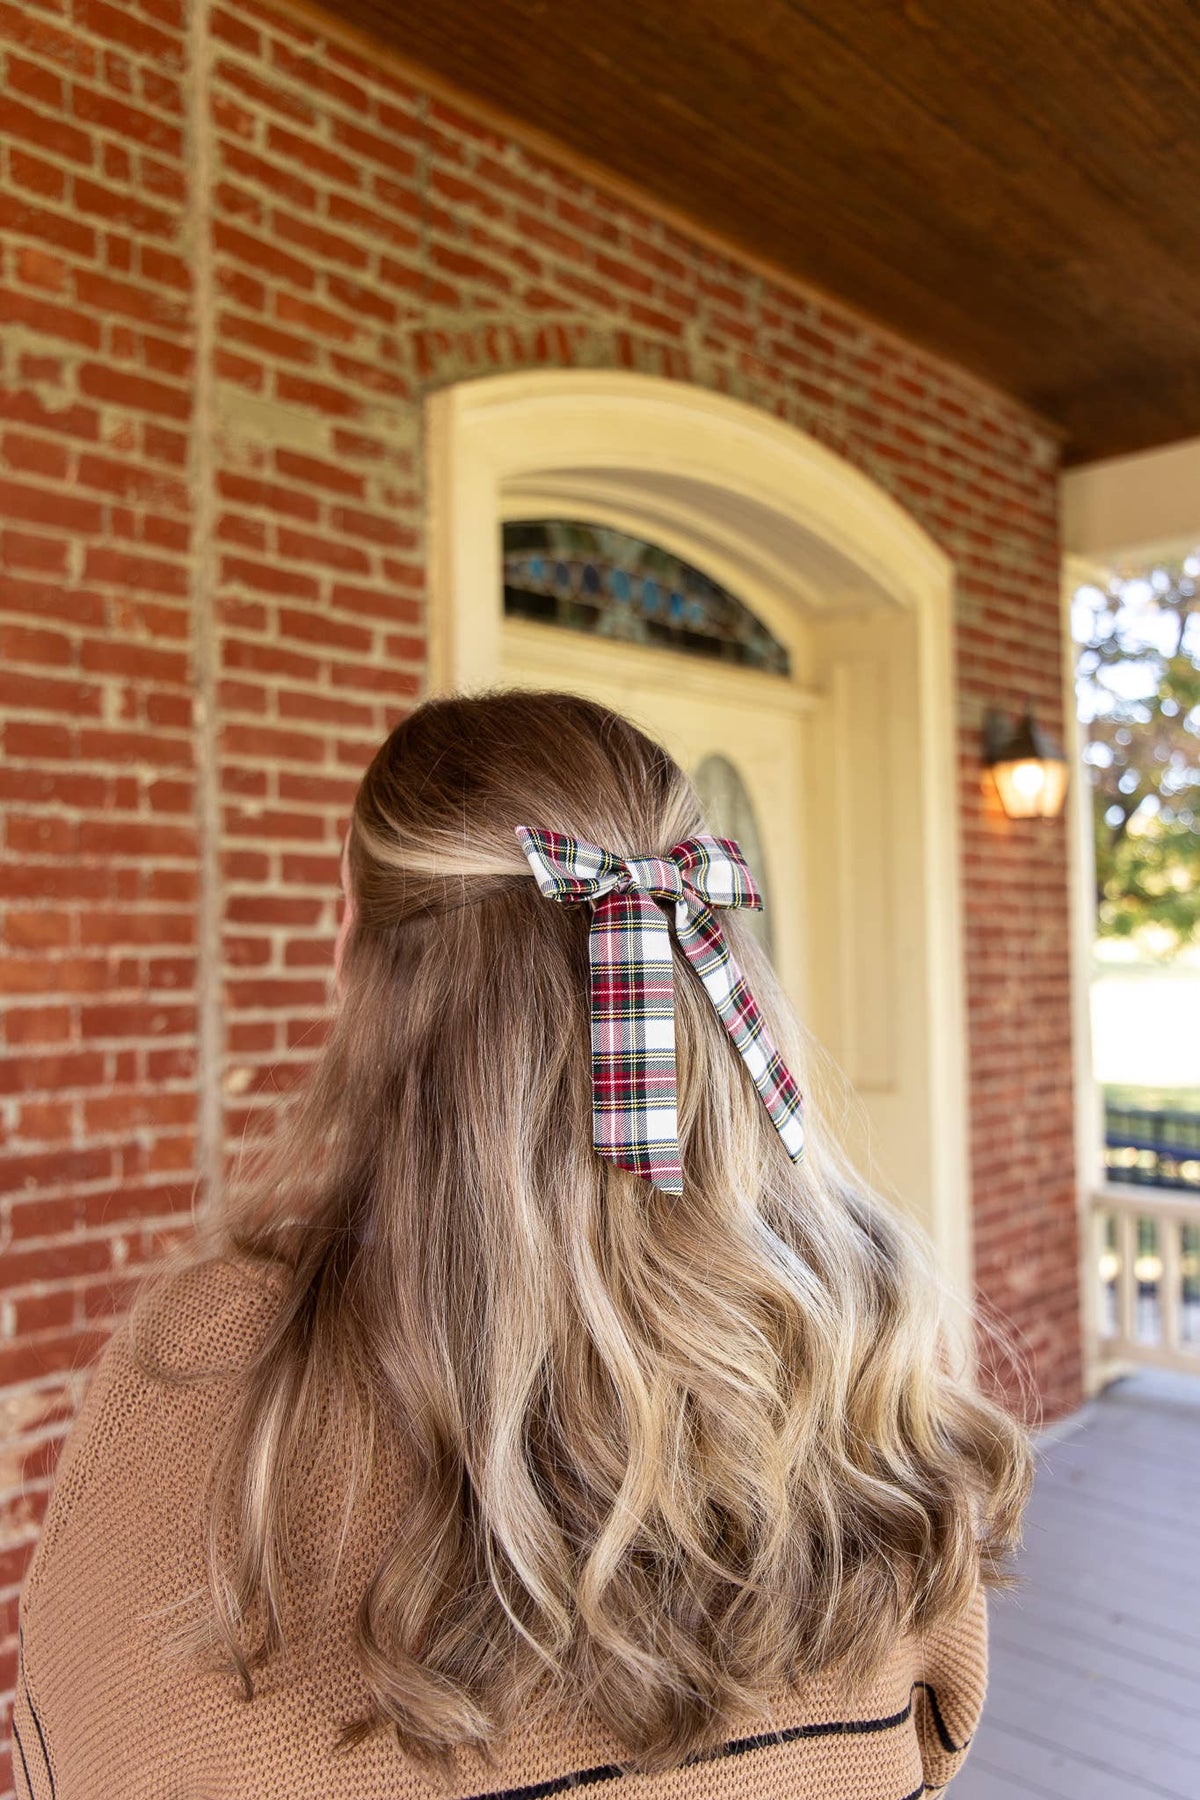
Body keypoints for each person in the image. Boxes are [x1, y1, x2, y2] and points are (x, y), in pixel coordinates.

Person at [13, 689, 1033, 1800]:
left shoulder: (211, 1356)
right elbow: (928, 1741)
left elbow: (78, 1749)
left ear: (353, 959)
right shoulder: (859, 1333)